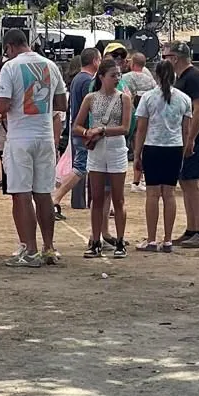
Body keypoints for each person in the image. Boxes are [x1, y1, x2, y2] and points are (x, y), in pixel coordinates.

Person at [0, 26, 67, 268]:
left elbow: (2, 105)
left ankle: (30, 250)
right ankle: (48, 247)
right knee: (44, 193)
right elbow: (61, 103)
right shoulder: (50, 65)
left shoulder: (11, 67)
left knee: (21, 194)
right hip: (45, 135)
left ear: (10, 47)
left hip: (20, 137)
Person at [132, 58, 193, 252]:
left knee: (152, 194)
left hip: (153, 147)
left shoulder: (148, 98)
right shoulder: (184, 99)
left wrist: (137, 153)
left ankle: (151, 239)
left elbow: (141, 129)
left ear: (156, 76)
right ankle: (167, 240)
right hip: (174, 148)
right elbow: (186, 130)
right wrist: (182, 152)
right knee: (169, 194)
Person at [75, 56, 133, 257]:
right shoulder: (90, 98)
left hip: (116, 149)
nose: (117, 78)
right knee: (97, 197)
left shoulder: (123, 98)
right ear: (101, 77)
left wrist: (102, 129)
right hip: (97, 150)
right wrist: (86, 133)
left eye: (119, 75)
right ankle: (95, 239)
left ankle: (120, 241)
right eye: (113, 75)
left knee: (118, 198)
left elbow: (125, 128)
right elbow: (76, 125)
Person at [165, 42, 199, 247]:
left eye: (166, 56)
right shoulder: (185, 77)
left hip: (197, 137)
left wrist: (191, 138)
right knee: (186, 183)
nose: (164, 60)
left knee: (193, 183)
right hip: (187, 137)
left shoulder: (194, 77)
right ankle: (192, 229)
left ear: (175, 58)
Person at [54, 47, 100, 212]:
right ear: (95, 61)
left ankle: (87, 201)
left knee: (83, 166)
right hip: (84, 130)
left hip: (78, 128)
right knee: (80, 167)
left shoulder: (77, 79)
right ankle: (56, 197)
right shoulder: (88, 81)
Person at [122, 51, 156, 189]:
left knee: (132, 147)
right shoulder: (150, 80)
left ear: (133, 63)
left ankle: (135, 180)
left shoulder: (125, 78)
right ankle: (141, 179)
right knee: (142, 147)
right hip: (146, 117)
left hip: (130, 116)